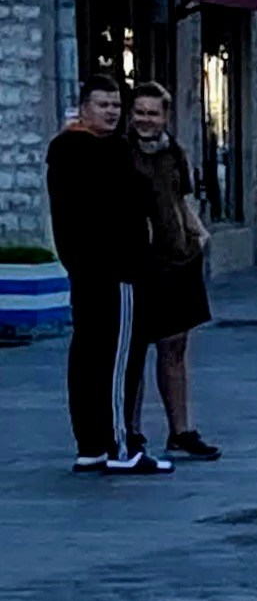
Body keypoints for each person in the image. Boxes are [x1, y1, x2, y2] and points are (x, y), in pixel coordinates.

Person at [45, 76, 163, 473]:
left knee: (89, 355)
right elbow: (137, 198)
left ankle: (91, 443)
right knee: (117, 358)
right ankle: (118, 445)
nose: (112, 112)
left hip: (88, 270)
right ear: (83, 107)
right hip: (116, 270)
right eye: (103, 104)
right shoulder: (95, 150)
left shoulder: (68, 148)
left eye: (116, 105)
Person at [124, 79, 220, 463]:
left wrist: (198, 235)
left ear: (165, 116)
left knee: (176, 346)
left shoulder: (174, 152)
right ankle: (129, 430)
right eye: (140, 113)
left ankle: (181, 430)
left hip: (178, 259)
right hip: (140, 264)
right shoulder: (121, 153)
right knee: (133, 351)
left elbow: (180, 200)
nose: (146, 120)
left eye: (154, 113)